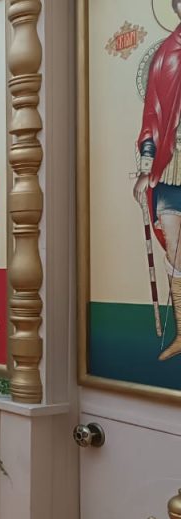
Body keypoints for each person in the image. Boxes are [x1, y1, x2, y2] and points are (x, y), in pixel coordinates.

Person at [135, 0, 181, 360]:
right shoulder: (166, 56)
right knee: (174, 247)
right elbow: (152, 114)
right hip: (173, 163)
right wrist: (146, 165)